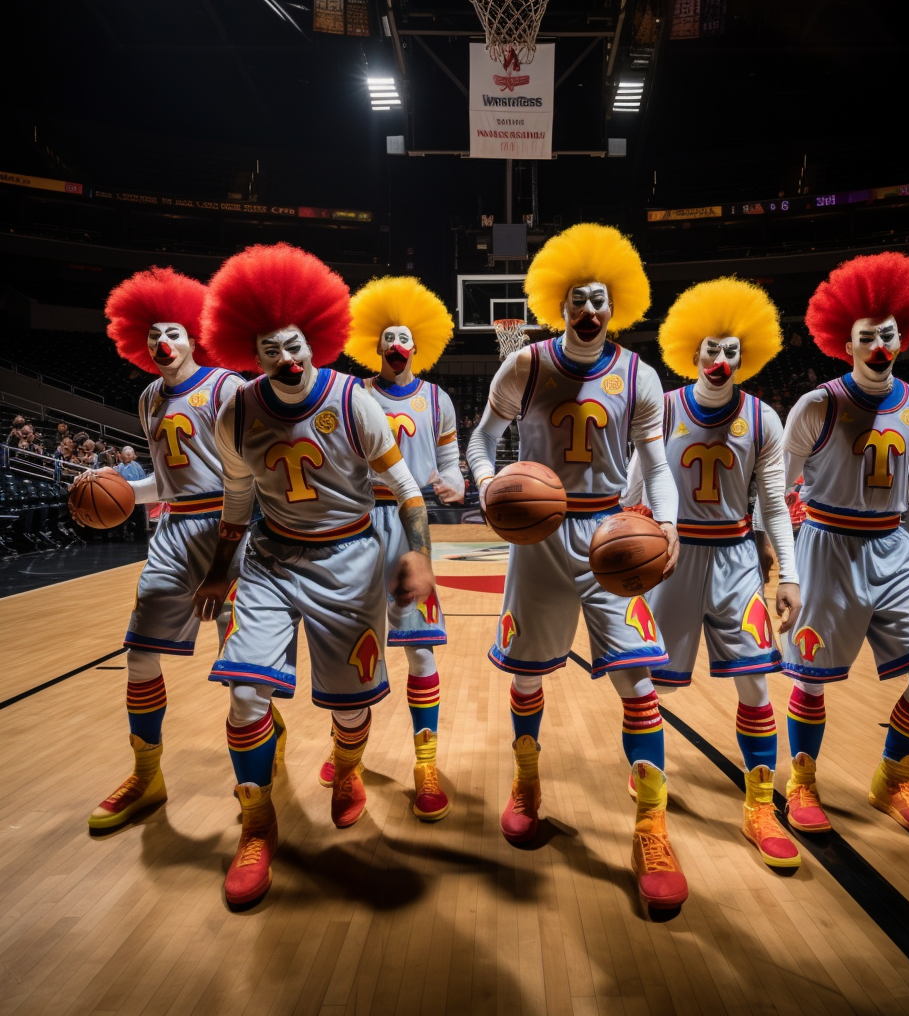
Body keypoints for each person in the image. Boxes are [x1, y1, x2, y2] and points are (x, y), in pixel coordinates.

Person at [192, 244, 437, 907]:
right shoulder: (235, 413)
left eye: (294, 343)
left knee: (351, 708)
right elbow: (236, 502)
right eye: (271, 349)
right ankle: (256, 822)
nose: (286, 357)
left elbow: (409, 493)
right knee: (245, 697)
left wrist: (419, 554)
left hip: (350, 562)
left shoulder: (355, 401)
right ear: (253, 354)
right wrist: (219, 570)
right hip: (270, 560)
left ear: (314, 338)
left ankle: (349, 769)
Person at [467, 223, 686, 915]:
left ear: (614, 305)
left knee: (638, 679)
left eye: (600, 299)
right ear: (557, 306)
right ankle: (526, 781)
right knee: (529, 672)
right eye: (576, 300)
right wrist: (486, 485)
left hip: (612, 535)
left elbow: (656, 463)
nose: (589, 310)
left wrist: (670, 524)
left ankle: (651, 824)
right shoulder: (524, 365)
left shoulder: (640, 374)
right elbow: (482, 440)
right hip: (539, 534)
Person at [781, 252, 909, 843]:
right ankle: (802, 779)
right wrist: (772, 559)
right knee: (813, 679)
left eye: (888, 334)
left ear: (906, 334)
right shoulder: (817, 404)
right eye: (866, 337)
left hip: (894, 549)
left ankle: (893, 778)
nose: (879, 345)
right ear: (844, 343)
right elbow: (777, 486)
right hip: (826, 545)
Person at [623, 277, 802, 871]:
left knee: (756, 681)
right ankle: (649, 805)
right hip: (670, 560)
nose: (721, 360)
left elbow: (774, 504)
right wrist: (618, 546)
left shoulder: (764, 418)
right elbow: (631, 491)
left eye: (731, 351)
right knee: (658, 688)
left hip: (734, 559)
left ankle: (759, 807)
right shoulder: (664, 407)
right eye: (711, 350)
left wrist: (791, 578)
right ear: (691, 353)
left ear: (744, 355)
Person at [80, 266, 264, 831]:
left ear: (195, 337)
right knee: (138, 656)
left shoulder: (227, 387)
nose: (163, 343)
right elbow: (165, 480)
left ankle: (257, 792)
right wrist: (113, 494)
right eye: (155, 334)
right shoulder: (146, 399)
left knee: (241, 676)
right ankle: (148, 774)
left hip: (232, 531)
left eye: (175, 333)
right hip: (173, 531)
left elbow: (255, 470)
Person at [313, 276, 462, 821]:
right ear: (375, 347)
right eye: (388, 338)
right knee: (350, 648)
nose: (397, 346)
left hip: (410, 520)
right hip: (354, 525)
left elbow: (449, 466)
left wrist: (458, 485)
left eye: (406, 338)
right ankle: (345, 752)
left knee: (418, 648)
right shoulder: (352, 394)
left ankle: (426, 763)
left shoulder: (438, 400)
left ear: (417, 346)